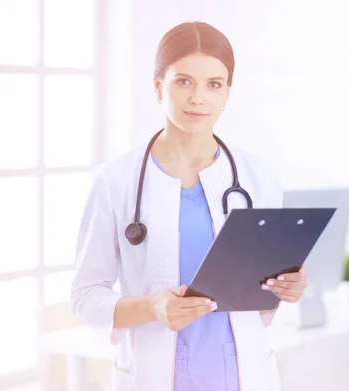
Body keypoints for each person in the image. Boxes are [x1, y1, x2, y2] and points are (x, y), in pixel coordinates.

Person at [70, 21, 308, 391]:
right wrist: (152, 307)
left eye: (214, 84)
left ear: (227, 93)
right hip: (152, 375)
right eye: (183, 81)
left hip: (241, 374)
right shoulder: (115, 181)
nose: (198, 98)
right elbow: (86, 297)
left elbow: (261, 309)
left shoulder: (258, 177)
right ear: (157, 87)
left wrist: (284, 288)